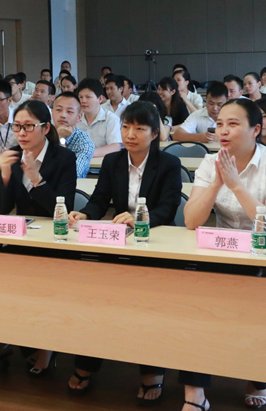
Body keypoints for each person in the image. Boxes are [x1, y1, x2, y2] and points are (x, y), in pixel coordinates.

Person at [183, 98, 266, 411]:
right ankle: (195, 394)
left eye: (233, 124)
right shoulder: (210, 162)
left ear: (256, 130)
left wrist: (235, 185)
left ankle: (258, 377)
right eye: (220, 123)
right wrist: (217, 182)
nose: (223, 131)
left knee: (264, 299)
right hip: (224, 254)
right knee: (189, 298)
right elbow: (191, 220)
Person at [66, 102, 182, 401]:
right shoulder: (113, 161)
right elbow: (99, 199)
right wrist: (85, 214)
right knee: (97, 300)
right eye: (126, 127)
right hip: (120, 241)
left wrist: (141, 218)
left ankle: (152, 371)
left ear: (154, 134)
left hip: (155, 243)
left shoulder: (168, 164)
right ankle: (87, 363)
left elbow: (169, 208)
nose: (130, 134)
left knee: (150, 307)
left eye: (140, 128)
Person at [0, 100, 76, 218]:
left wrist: (37, 179)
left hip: (52, 226)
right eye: (17, 126)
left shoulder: (64, 158)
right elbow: (1, 209)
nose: (21, 133)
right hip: (23, 227)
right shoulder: (12, 156)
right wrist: (5, 177)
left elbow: (65, 210)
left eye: (28, 126)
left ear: (46, 128)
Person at [52, 92, 95, 178]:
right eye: (59, 110)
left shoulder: (85, 143)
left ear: (78, 117)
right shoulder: (42, 134)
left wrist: (60, 139)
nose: (63, 115)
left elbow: (72, 174)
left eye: (69, 111)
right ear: (52, 112)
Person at [76, 79, 122, 157]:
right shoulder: (75, 118)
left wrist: (86, 153)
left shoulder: (111, 119)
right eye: (80, 97)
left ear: (100, 99)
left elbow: (115, 147)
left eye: (88, 97)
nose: (83, 101)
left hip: (101, 163)